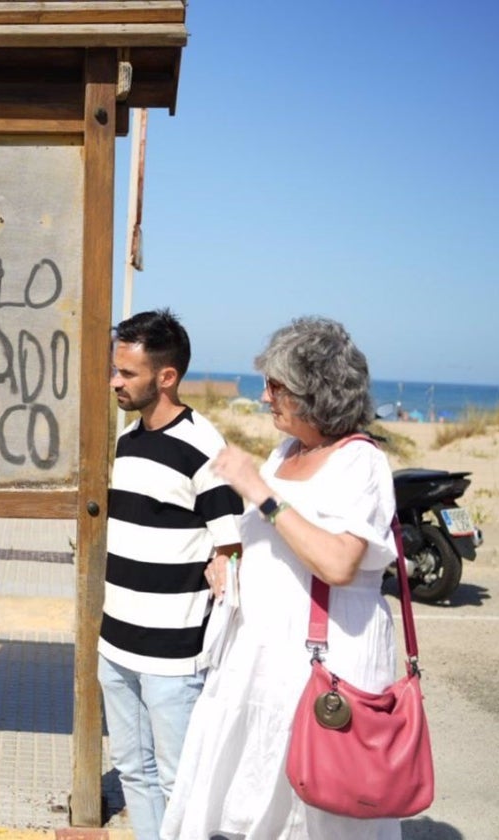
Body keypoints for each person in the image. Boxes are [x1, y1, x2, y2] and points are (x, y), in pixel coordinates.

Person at [162, 317, 400, 840]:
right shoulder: (288, 452)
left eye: (276, 385)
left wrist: (261, 493)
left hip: (322, 665)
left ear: (315, 392)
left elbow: (338, 562)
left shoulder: (359, 462)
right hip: (261, 662)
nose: (265, 395)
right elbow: (276, 542)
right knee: (252, 811)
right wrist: (232, 563)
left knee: (309, 810)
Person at [100, 309, 243, 840]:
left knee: (180, 783)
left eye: (126, 373)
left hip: (174, 658)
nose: (115, 381)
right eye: (115, 369)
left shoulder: (204, 448)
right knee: (134, 773)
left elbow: (232, 548)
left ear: (166, 376)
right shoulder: (126, 441)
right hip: (114, 645)